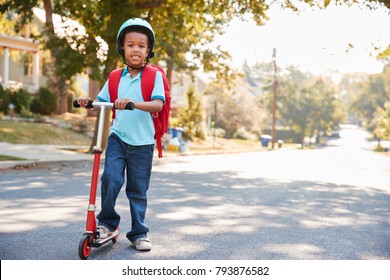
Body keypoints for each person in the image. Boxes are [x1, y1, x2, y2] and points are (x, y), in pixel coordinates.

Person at [76, 18, 165, 251]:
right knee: (110, 179)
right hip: (118, 136)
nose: (136, 49)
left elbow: (157, 105)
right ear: (122, 48)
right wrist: (88, 101)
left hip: (143, 142)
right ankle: (106, 223)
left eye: (141, 45)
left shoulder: (154, 75)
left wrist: (133, 103)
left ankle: (139, 233)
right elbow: (103, 102)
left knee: (137, 189)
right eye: (131, 44)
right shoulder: (116, 76)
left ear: (148, 50)